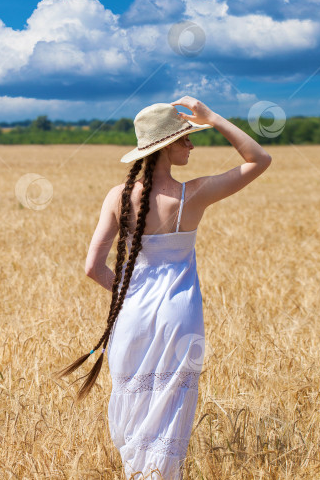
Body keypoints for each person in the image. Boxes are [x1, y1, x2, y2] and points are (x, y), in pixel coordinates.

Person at [52, 96, 272, 478]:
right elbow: (259, 160)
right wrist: (214, 118)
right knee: (170, 410)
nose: (192, 145)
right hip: (179, 317)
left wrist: (130, 295)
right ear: (167, 146)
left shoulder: (117, 197)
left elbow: (92, 267)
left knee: (134, 410)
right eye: (186, 139)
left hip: (131, 316)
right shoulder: (193, 194)